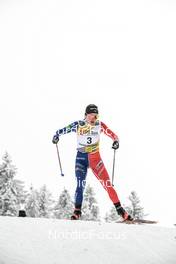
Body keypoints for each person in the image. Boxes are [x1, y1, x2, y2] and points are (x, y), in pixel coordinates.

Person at [52, 104, 133, 221]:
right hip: (81, 159)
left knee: (108, 184)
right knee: (80, 185)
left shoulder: (100, 125)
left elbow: (114, 135)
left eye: (96, 116)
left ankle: (121, 211)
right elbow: (61, 131)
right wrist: (56, 136)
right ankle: (77, 211)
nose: (94, 118)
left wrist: (116, 141)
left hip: (96, 160)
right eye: (91, 115)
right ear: (86, 115)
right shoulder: (78, 125)